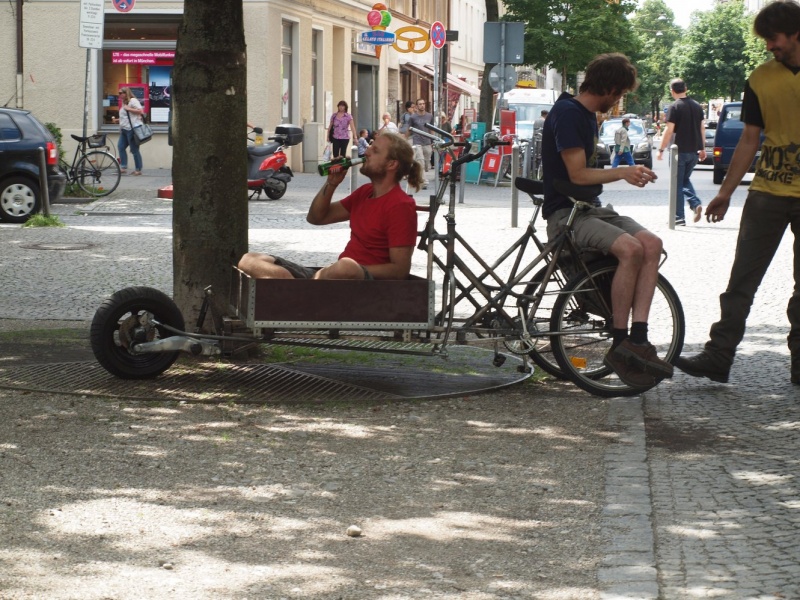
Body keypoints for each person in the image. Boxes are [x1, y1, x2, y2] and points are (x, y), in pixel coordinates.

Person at [674, 0, 800, 385]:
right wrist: (726, 192)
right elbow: (749, 139)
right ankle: (718, 356)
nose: (769, 46)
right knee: (741, 281)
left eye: (774, 38)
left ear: (796, 33)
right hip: (766, 191)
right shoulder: (760, 78)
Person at [541, 52, 672, 389]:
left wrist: (621, 173)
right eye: (619, 94)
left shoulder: (585, 115)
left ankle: (637, 340)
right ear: (610, 87)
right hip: (564, 213)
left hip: (588, 208)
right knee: (630, 249)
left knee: (652, 244)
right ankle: (619, 340)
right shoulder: (569, 114)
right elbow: (578, 173)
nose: (618, 102)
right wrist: (624, 172)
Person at [238, 132, 423, 281]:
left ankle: (300, 291)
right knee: (250, 260)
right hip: (331, 278)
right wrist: (332, 183)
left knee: (346, 266)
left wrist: (354, 271)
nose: (366, 152)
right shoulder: (365, 192)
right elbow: (316, 218)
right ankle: (298, 289)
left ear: (391, 164)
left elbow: (399, 270)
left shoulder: (400, 205)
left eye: (375, 151)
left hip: (361, 283)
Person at [656, 78, 706, 225]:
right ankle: (694, 204)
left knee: (677, 183)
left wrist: (661, 149)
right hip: (694, 152)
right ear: (686, 88)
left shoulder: (675, 107)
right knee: (684, 180)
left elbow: (669, 130)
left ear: (672, 91)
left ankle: (679, 217)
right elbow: (702, 128)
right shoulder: (697, 106)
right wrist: (702, 148)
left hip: (678, 151)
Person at [408, 98, 434, 189]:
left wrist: (432, 140)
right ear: (417, 106)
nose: (422, 105)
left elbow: (432, 129)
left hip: (427, 142)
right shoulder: (413, 117)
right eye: (420, 104)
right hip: (417, 142)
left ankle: (419, 174)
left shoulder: (429, 116)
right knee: (421, 162)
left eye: (423, 104)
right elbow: (409, 129)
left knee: (427, 162)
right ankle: (424, 181)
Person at [117, 87, 144, 176]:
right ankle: (123, 166)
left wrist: (128, 109)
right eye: (119, 93)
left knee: (134, 150)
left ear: (126, 93)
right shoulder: (124, 102)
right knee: (120, 147)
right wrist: (118, 120)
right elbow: (126, 116)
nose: (119, 95)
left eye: (121, 93)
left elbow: (141, 111)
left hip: (132, 129)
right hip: (124, 129)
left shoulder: (133, 101)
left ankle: (138, 169)